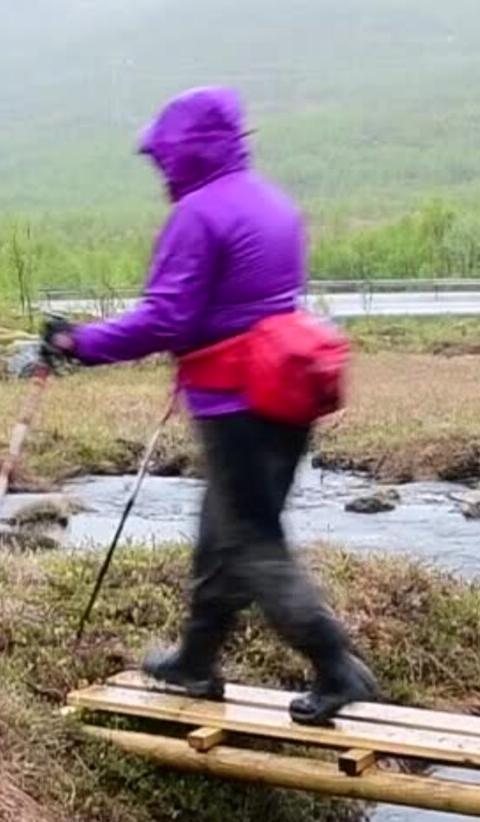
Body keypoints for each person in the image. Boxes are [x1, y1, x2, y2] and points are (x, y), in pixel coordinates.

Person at [45, 87, 376, 726]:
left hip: (235, 406)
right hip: (285, 394)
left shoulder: (197, 215)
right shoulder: (273, 203)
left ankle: (336, 665)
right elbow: (242, 308)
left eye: (162, 158)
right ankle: (195, 661)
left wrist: (75, 342)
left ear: (184, 152)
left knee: (251, 542)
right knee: (222, 532)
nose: (160, 170)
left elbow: (165, 319)